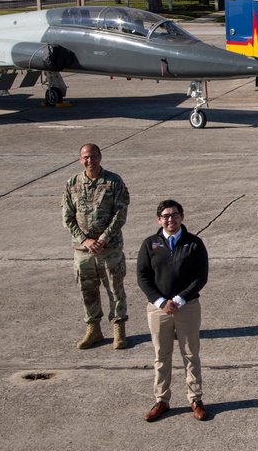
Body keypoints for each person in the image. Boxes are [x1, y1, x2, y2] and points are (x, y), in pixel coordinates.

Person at [136, 200, 209, 423]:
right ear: (159, 220)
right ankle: (161, 400)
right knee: (161, 356)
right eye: (166, 216)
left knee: (190, 354)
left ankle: (195, 399)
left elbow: (200, 277)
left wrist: (178, 299)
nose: (171, 219)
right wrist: (160, 301)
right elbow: (143, 277)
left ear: (182, 217)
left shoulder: (194, 244)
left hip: (187, 307)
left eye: (174, 215)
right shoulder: (150, 245)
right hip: (158, 310)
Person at [62, 143, 130, 350]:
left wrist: (103, 239)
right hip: (83, 250)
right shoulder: (72, 183)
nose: (89, 160)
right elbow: (67, 217)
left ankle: (119, 330)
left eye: (92, 156)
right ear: (80, 159)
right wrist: (85, 240)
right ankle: (93, 329)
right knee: (87, 290)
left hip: (108, 249)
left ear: (100, 157)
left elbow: (120, 213)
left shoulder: (113, 181)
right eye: (85, 157)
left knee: (115, 290)